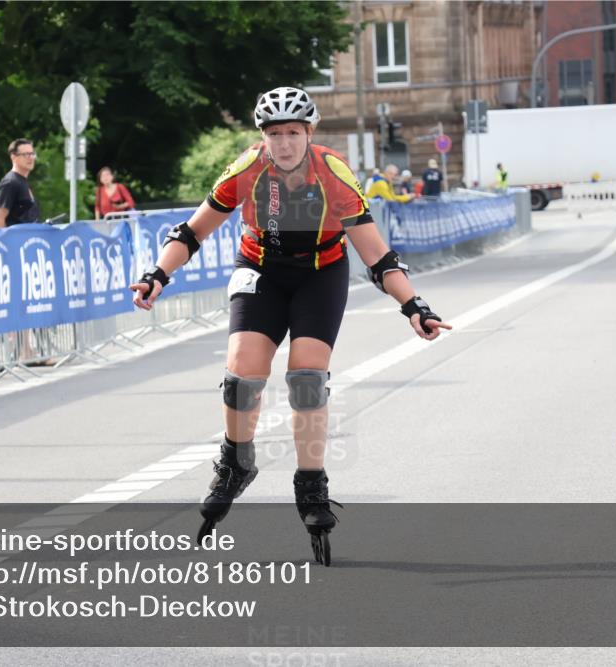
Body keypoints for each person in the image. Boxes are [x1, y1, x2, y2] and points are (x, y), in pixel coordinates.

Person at [129, 86, 452, 565]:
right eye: (274, 133)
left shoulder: (333, 174)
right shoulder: (248, 168)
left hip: (321, 273)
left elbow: (377, 254)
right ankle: (236, 461)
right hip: (260, 268)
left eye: (293, 133)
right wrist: (158, 273)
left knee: (306, 376)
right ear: (263, 136)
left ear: (309, 132)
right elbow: (193, 230)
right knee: (242, 372)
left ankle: (312, 487)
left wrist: (415, 306)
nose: (283, 143)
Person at [0, 138, 40, 227]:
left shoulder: (23, 181)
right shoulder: (10, 183)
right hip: (15, 239)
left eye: (32, 154)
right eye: (26, 154)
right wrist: (6, 240)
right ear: (13, 157)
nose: (30, 158)